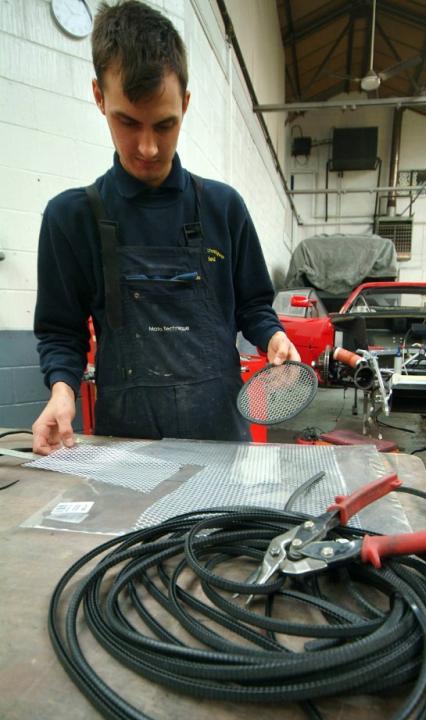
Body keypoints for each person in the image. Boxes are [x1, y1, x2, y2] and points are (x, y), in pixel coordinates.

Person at [32, 0, 299, 455]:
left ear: (186, 104)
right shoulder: (70, 219)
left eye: (165, 124)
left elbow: (254, 306)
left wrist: (274, 337)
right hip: (125, 453)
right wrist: (62, 390)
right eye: (127, 122)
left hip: (221, 446)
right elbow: (61, 331)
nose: (149, 147)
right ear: (99, 97)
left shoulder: (224, 209)